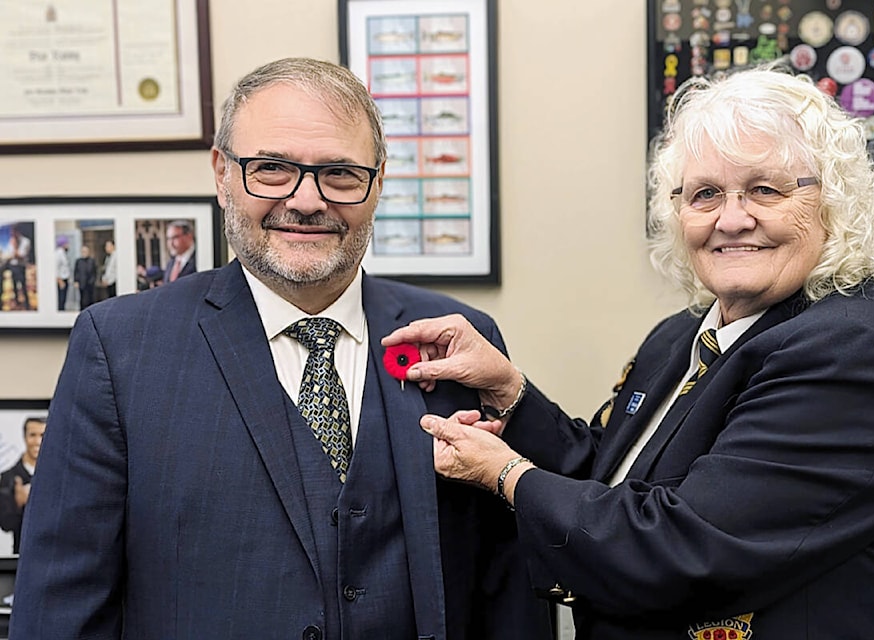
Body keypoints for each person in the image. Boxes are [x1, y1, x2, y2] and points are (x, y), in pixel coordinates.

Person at [383, 65, 874, 638]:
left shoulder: (846, 358)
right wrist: (510, 391)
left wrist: (505, 475)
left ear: (832, 204)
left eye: (765, 190)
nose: (731, 218)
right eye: (704, 195)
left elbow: (680, 548)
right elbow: (612, 475)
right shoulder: (682, 336)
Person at [11, 57, 552, 640]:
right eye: (271, 168)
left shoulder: (459, 339)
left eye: (340, 173)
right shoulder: (119, 350)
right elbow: (61, 606)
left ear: (378, 182)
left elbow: (508, 589)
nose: (306, 200)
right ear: (222, 174)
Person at [0, 417, 45, 554]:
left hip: (54, 556)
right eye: (32, 435)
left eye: (43, 435)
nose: (37, 441)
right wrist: (18, 504)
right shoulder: (9, 477)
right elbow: (6, 524)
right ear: (24, 437)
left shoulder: (59, 476)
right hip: (22, 555)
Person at [1, 224, 32, 310]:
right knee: (14, 284)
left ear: (18, 232)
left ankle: (26, 304)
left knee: (23, 285)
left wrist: (14, 247)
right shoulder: (11, 241)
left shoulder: (25, 241)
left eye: (14, 232)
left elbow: (21, 255)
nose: (12, 235)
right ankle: (17, 303)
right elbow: (9, 254)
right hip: (13, 265)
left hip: (21, 266)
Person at [162, 220, 196, 284]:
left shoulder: (199, 260)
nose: (171, 243)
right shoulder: (171, 262)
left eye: (175, 238)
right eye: (168, 239)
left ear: (189, 237)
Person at [72, 245, 98, 310]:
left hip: (90, 283)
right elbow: (76, 272)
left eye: (85, 251)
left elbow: (95, 272)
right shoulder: (78, 261)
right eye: (83, 251)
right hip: (81, 283)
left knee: (90, 298)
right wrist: (76, 281)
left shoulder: (92, 261)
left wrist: (93, 280)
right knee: (82, 299)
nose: (84, 253)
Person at [54, 239, 70, 311]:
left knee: (63, 300)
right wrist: (59, 280)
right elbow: (55, 267)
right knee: (61, 299)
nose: (68, 245)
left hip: (65, 279)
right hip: (61, 280)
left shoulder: (63, 253)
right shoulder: (58, 253)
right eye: (67, 244)